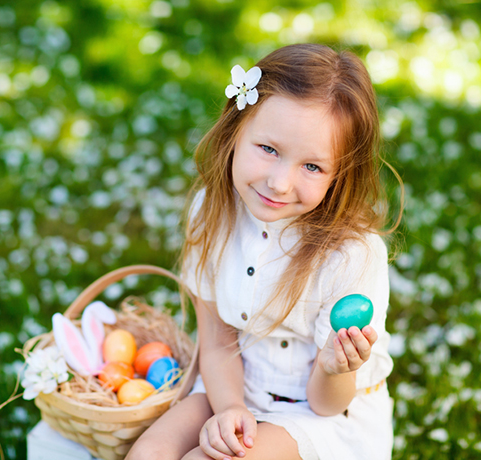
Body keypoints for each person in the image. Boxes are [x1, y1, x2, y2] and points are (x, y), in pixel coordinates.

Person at [125, 43, 402, 460]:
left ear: (340, 173)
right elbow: (216, 341)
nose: (278, 183)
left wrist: (334, 366)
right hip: (234, 383)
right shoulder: (213, 210)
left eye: (311, 166)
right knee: (150, 453)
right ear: (235, 132)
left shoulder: (351, 255)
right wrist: (231, 408)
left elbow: (330, 403)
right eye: (268, 149)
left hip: (318, 416)